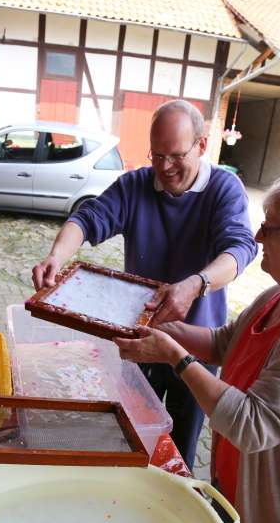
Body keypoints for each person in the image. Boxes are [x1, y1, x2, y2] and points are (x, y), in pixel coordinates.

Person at [114, 171, 280, 523]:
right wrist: (169, 331)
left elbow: (253, 423)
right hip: (244, 498)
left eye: (271, 227)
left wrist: (174, 357)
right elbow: (224, 343)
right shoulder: (276, 297)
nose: (257, 236)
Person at [32, 99, 257, 470]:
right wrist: (57, 255)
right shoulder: (135, 184)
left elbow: (240, 248)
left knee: (182, 445)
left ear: (201, 146)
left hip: (195, 344)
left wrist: (197, 284)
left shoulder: (224, 189)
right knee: (132, 433)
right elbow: (87, 219)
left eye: (176, 155)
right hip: (139, 339)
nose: (165, 167)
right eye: (157, 155)